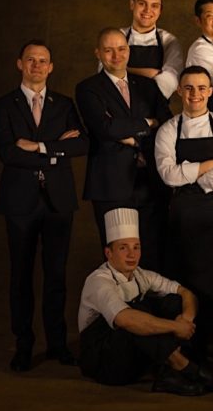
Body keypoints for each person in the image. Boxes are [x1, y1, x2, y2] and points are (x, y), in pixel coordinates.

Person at [0, 40, 88, 371]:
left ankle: (57, 344)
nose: (37, 65)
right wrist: (55, 150)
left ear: (51, 67)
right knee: (21, 276)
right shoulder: (3, 105)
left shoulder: (64, 104)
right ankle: (23, 345)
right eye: (31, 60)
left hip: (58, 201)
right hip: (19, 202)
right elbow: (8, 153)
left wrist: (39, 146)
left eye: (43, 60)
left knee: (56, 276)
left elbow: (81, 145)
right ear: (20, 64)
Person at [78, 208, 213, 395]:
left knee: (173, 301)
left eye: (136, 247)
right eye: (123, 248)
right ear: (108, 253)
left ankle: (170, 373)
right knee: (134, 316)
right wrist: (175, 327)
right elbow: (125, 319)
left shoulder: (141, 275)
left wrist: (186, 320)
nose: (131, 254)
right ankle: (185, 367)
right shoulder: (98, 281)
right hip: (104, 364)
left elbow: (186, 293)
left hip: (133, 359)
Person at [154, 66, 213, 358]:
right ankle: (189, 346)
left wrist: (190, 177)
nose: (195, 94)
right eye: (188, 88)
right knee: (183, 276)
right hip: (183, 213)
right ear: (179, 91)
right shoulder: (167, 130)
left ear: (211, 92)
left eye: (202, 88)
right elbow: (167, 175)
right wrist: (208, 165)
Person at [76, 28, 172, 270]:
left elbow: (166, 123)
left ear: (128, 51)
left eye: (121, 49)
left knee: (153, 255)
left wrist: (127, 133)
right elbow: (105, 128)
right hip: (110, 185)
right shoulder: (88, 88)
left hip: (150, 182)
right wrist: (147, 123)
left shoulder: (148, 86)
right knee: (120, 261)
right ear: (98, 53)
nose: (116, 55)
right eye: (108, 50)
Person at [117, 0, 183, 100]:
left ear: (160, 10)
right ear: (132, 4)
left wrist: (125, 70)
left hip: (156, 106)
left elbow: (171, 80)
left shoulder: (169, 40)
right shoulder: (118, 36)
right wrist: (151, 73)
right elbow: (105, 74)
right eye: (142, 3)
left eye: (154, 6)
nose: (148, 10)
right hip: (119, 107)